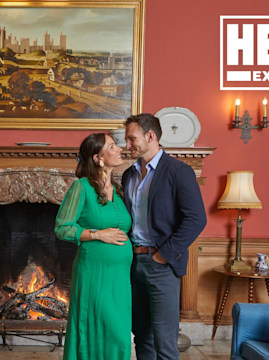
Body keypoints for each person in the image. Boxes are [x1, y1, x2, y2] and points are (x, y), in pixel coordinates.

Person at [123, 113, 207, 360]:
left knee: (165, 344)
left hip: (162, 266)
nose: (127, 145)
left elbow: (196, 219)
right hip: (133, 264)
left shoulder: (178, 172)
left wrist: (164, 255)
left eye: (132, 138)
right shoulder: (129, 175)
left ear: (150, 136)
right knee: (142, 338)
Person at [54, 133, 133, 360]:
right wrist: (97, 234)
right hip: (94, 275)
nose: (120, 149)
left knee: (118, 333)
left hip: (119, 278)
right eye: (112, 146)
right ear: (98, 158)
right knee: (96, 328)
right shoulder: (82, 187)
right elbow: (62, 228)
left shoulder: (118, 191)